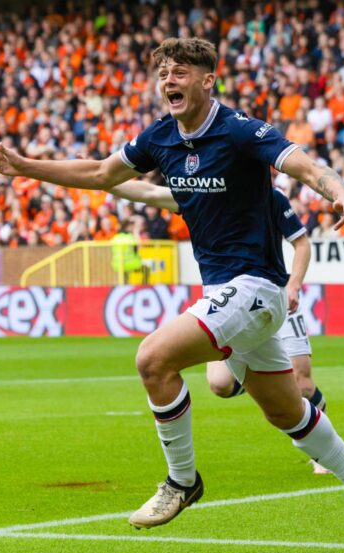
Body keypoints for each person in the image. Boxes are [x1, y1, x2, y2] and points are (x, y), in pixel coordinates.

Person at [0, 38, 344, 547]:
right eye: (163, 74)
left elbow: (304, 165)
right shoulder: (159, 138)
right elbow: (101, 174)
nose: (169, 81)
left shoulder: (240, 130)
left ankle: (182, 481)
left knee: (153, 358)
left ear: (206, 80)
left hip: (258, 287)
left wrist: (340, 191)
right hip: (228, 292)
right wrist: (25, 166)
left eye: (179, 73)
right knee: (285, 411)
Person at [107, 180, 331, 474]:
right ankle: (267, 386)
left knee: (301, 382)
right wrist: (107, 180)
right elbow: (152, 193)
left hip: (274, 296)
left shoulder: (271, 197)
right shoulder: (210, 194)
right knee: (220, 385)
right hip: (230, 303)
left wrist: (294, 285)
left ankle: (321, 452)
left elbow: (301, 243)